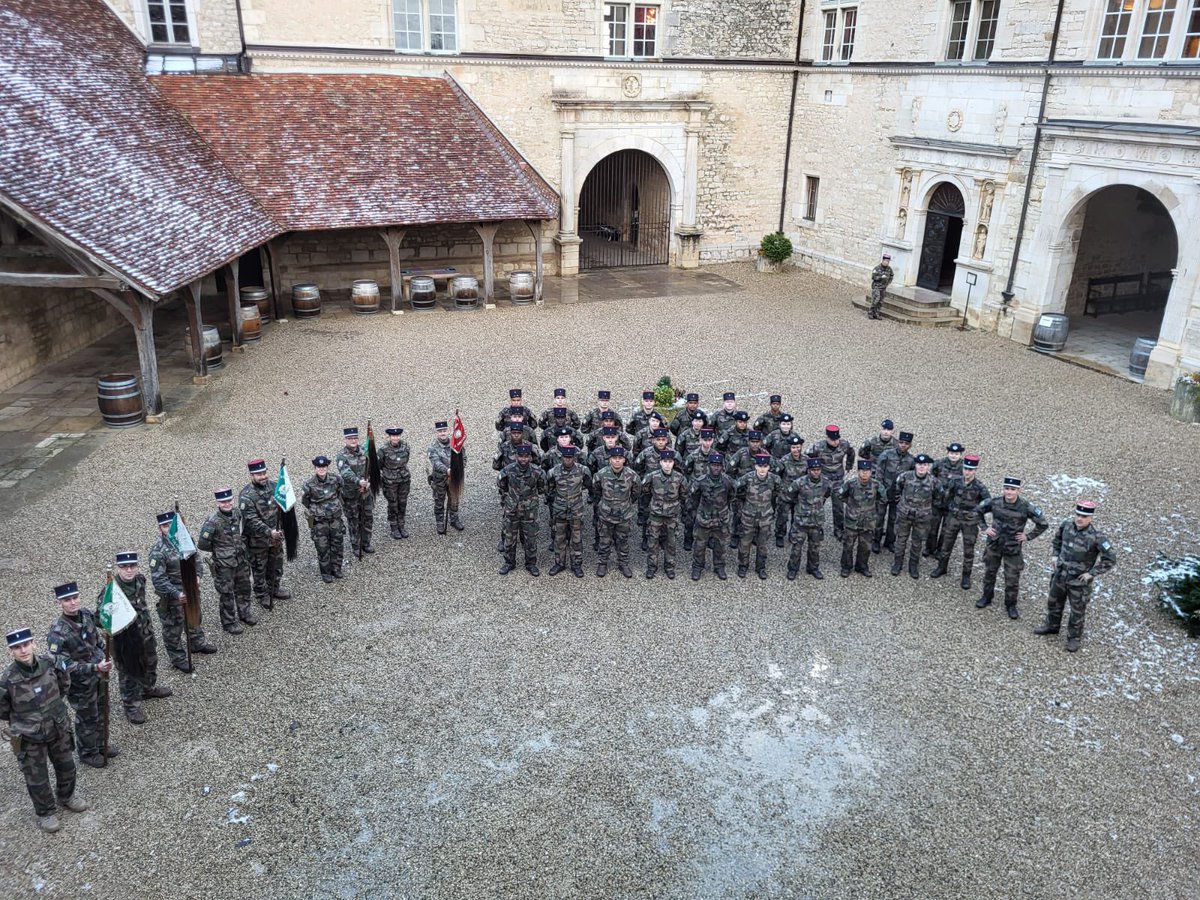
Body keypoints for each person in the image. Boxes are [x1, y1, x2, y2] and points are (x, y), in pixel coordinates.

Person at [1, 627, 89, 833]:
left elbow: (64, 685)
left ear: (33, 644)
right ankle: (46, 812)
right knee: (37, 778)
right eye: (17, 647)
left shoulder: (51, 664)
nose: (23, 650)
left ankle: (67, 796)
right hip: (29, 736)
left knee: (67, 766)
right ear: (10, 651)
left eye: (25, 644)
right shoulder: (6, 681)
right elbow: (3, 711)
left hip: (57, 727)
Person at [46, 583, 119, 768]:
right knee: (87, 717)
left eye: (75, 598)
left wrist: (105, 653)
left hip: (100, 675)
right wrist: (95, 667)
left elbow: (97, 640)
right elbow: (63, 664)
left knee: (103, 710)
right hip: (80, 684)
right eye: (67, 600)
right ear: (59, 603)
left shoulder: (86, 614)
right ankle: (88, 753)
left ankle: (101, 744)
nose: (72, 603)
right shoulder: (57, 632)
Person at [98, 551, 170, 724]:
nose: (129, 570)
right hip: (126, 640)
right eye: (124, 567)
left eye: (132, 566)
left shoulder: (140, 580)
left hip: (145, 633)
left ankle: (147, 688)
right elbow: (100, 618)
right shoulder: (111, 591)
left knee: (150, 661)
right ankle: (131, 704)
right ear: (118, 568)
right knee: (128, 672)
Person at [1035, 501, 1117, 652]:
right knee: (1054, 603)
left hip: (1078, 582)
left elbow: (1110, 559)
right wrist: (1055, 555)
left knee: (1077, 611)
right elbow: (1057, 540)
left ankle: (1074, 638)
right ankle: (1052, 626)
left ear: (1091, 518)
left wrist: (1091, 573)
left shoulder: (1097, 537)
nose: (1080, 519)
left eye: (1084, 516)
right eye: (1078, 515)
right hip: (1060, 575)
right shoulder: (1066, 525)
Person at [148, 512, 217, 669]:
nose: (170, 529)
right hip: (173, 596)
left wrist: (197, 576)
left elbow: (197, 560)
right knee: (173, 628)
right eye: (166, 527)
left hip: (191, 588)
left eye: (172, 526)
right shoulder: (158, 551)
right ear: (160, 529)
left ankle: (197, 643)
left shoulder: (186, 540)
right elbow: (159, 580)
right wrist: (177, 593)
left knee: (194, 616)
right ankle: (178, 658)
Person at [975, 477, 1049, 619]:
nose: (1009, 492)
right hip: (994, 545)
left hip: (1013, 548)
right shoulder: (995, 502)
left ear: (1018, 490)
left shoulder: (1026, 507)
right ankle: (986, 597)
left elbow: (1043, 524)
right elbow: (977, 511)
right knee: (990, 573)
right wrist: (984, 527)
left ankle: (1010, 605)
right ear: (1003, 489)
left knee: (1012, 578)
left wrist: (1028, 536)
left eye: (1013, 489)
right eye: (1007, 489)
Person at [198, 488, 255, 631]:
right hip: (224, 564)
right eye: (223, 502)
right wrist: (220, 551)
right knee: (226, 592)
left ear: (233, 500)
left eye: (229, 500)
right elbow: (203, 544)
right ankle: (229, 622)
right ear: (218, 503)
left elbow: (243, 531)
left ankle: (245, 613)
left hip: (240, 559)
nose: (227, 503)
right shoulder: (212, 521)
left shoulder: (237, 513)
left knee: (244, 587)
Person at [932, 454, 990, 589]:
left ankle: (966, 576)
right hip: (953, 518)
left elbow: (987, 503)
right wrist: (950, 509)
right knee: (946, 545)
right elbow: (947, 496)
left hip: (969, 522)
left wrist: (976, 513)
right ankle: (942, 567)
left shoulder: (980, 486)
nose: (967, 472)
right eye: (965, 469)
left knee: (968, 550)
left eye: (970, 469)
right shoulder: (956, 481)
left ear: (975, 471)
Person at [239, 459, 290, 609]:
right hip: (258, 542)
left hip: (276, 538)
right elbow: (251, 520)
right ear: (251, 475)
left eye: (264, 473)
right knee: (260, 568)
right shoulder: (247, 495)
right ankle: (262, 594)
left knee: (276, 564)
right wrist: (269, 532)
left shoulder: (276, 487)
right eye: (258, 474)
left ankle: (274, 588)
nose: (263, 476)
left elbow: (284, 506)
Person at [592, 446, 640, 578]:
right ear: (610, 460)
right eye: (614, 458)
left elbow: (636, 492)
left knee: (623, 540)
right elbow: (596, 491)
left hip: (624, 514)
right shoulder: (601, 474)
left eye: (620, 458)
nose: (617, 461)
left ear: (624, 460)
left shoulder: (632, 475)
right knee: (604, 540)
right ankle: (602, 563)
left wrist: (625, 504)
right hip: (606, 514)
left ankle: (623, 563)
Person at [497, 444, 546, 576]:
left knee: (531, 539)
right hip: (512, 510)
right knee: (510, 538)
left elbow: (542, 488)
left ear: (530, 457)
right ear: (517, 456)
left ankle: (531, 564)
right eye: (521, 456)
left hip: (529, 512)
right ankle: (509, 563)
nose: (523, 459)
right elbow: (502, 485)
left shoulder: (537, 472)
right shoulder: (508, 470)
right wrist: (510, 499)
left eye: (526, 456)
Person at [545, 445, 591, 578]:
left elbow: (589, 485)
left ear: (574, 458)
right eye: (565, 457)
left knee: (576, 539)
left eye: (570, 457)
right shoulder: (553, 472)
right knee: (559, 538)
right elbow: (549, 488)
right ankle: (559, 563)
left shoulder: (583, 470)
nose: (568, 460)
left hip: (576, 510)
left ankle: (576, 565)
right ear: (561, 458)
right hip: (560, 510)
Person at [690, 452, 735, 581]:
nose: (716, 468)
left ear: (722, 467)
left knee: (720, 545)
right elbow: (693, 498)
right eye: (713, 465)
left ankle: (719, 566)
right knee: (700, 545)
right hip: (704, 519)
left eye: (718, 465)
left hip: (721, 519)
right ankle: (697, 567)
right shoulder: (700, 481)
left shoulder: (727, 481)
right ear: (709, 466)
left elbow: (732, 495)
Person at [643, 449, 688, 579]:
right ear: (660, 462)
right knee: (652, 541)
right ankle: (652, 567)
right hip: (655, 515)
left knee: (671, 542)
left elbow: (684, 496)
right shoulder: (652, 476)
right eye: (665, 461)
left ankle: (669, 567)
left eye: (670, 461)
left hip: (672, 515)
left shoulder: (679, 478)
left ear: (673, 463)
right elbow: (644, 491)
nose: (667, 464)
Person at [785, 456, 832, 580]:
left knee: (815, 548)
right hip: (801, 522)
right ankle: (793, 569)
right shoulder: (799, 482)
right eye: (813, 470)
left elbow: (827, 494)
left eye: (818, 469)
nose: (816, 472)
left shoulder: (826, 482)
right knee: (796, 548)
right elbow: (789, 495)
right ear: (808, 470)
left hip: (816, 521)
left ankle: (813, 568)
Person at [890, 453, 936, 579]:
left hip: (922, 518)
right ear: (915, 465)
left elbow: (938, 497)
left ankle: (913, 565)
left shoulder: (933, 481)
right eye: (919, 464)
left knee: (917, 543)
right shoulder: (905, 477)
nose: (921, 467)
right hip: (904, 515)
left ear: (928, 466)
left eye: (924, 465)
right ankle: (897, 564)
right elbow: (897, 489)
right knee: (900, 540)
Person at [736, 453, 781, 579]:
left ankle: (760, 567)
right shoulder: (747, 478)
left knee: (762, 545)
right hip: (748, 517)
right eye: (760, 466)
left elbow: (777, 492)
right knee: (745, 543)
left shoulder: (774, 479)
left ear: (769, 467)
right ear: (755, 466)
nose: (762, 469)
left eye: (765, 466)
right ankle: (743, 566)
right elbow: (736, 489)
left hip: (765, 517)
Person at [301, 456, 346, 582]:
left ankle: (336, 568)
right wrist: (318, 512)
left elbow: (340, 493)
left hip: (335, 520)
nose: (321, 469)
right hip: (320, 523)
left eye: (324, 467)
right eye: (319, 467)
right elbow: (306, 502)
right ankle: (326, 573)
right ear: (315, 468)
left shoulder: (336, 479)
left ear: (327, 467)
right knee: (322, 548)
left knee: (337, 544)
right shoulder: (309, 485)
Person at [840, 460, 886, 578]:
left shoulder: (876, 485)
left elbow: (883, 499)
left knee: (865, 546)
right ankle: (846, 567)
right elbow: (840, 496)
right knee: (848, 546)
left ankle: (862, 566)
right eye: (862, 471)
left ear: (871, 472)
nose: (865, 473)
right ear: (858, 471)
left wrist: (871, 507)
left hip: (868, 521)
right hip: (852, 521)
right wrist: (851, 505)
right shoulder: (850, 484)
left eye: (867, 471)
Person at [811, 425, 856, 539]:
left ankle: (838, 529)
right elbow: (808, 457)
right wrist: (813, 472)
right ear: (827, 438)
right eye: (832, 440)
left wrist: (849, 466)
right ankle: (817, 528)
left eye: (837, 439)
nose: (835, 442)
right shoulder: (818, 446)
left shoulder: (844, 444)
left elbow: (851, 453)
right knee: (818, 505)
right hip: (823, 480)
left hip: (838, 480)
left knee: (839, 506)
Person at [874, 431, 915, 552]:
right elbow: (879, 473)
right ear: (897, 442)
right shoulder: (886, 454)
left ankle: (889, 541)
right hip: (883, 491)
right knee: (878, 518)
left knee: (894, 519)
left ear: (910, 445)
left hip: (898, 495)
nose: (903, 445)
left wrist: (903, 495)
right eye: (901, 442)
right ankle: (876, 541)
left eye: (906, 443)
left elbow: (910, 480)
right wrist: (880, 490)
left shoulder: (911, 460)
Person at [337, 427, 375, 556]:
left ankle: (366, 543)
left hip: (365, 493)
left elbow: (370, 468)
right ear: (345, 440)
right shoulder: (342, 456)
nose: (353, 440)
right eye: (350, 438)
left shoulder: (365, 451)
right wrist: (359, 482)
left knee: (367, 518)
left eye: (355, 438)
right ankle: (356, 545)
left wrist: (368, 481)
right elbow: (345, 473)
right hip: (351, 495)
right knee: (354, 520)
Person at [925, 443, 965, 557]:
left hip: (951, 504)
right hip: (937, 502)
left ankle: (940, 550)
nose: (953, 456)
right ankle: (929, 548)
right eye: (952, 453)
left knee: (946, 529)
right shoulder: (939, 463)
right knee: (932, 527)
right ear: (948, 453)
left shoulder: (963, 467)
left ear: (960, 454)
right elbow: (931, 479)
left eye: (956, 454)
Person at [427, 420, 464, 533]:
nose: (443, 433)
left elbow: (464, 459)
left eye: (444, 431)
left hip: (454, 479)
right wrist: (448, 470)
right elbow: (436, 463)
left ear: (448, 431)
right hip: (440, 479)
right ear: (436, 432)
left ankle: (454, 519)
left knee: (454, 500)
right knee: (439, 501)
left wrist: (457, 470)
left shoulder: (456, 444)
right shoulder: (433, 447)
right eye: (440, 431)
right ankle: (440, 522)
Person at [772, 434, 808, 548]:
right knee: (782, 516)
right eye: (793, 447)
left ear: (801, 447)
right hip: (786, 495)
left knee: (796, 517)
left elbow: (809, 477)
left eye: (798, 447)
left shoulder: (806, 460)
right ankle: (779, 535)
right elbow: (776, 475)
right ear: (790, 448)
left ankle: (793, 535)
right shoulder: (784, 460)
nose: (796, 450)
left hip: (799, 496)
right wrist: (780, 489)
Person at [380, 427, 412, 539]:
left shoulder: (405, 446)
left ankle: (401, 525)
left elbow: (406, 460)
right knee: (393, 504)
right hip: (390, 481)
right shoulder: (383, 450)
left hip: (404, 480)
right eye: (393, 436)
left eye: (397, 435)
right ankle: (394, 527)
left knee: (402, 503)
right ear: (389, 437)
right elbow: (380, 465)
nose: (395, 438)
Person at [868, 253, 894, 320]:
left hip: (883, 288)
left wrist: (888, 282)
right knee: (876, 299)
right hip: (876, 287)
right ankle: (870, 313)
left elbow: (891, 275)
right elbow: (873, 277)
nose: (887, 262)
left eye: (888, 261)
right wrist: (880, 277)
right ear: (883, 260)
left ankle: (876, 314)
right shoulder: (877, 268)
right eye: (885, 261)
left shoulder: (889, 269)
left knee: (880, 301)